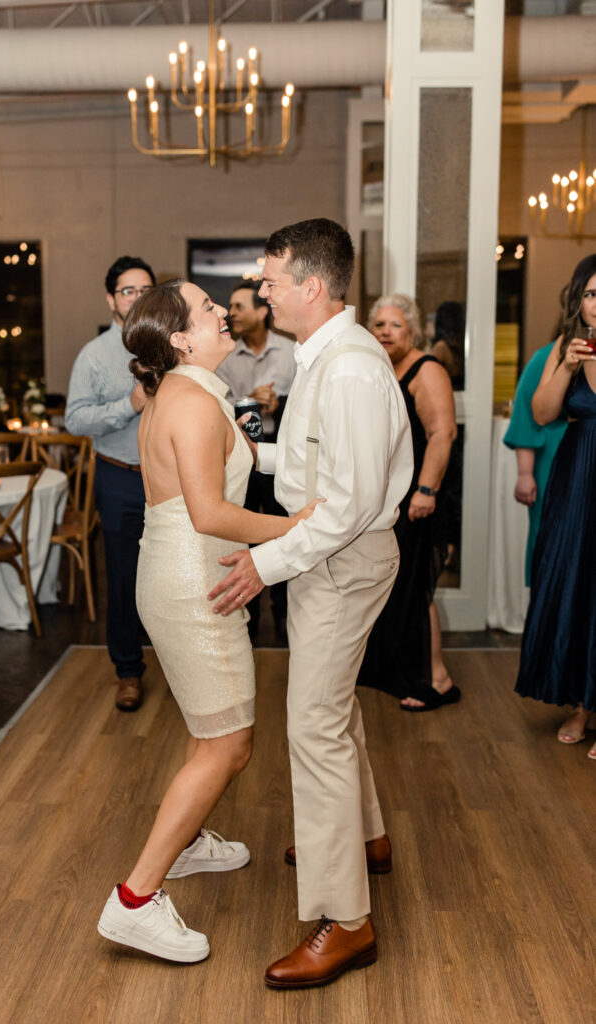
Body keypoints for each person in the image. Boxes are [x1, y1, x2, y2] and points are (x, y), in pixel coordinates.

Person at [208, 219, 413, 988]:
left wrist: (264, 565)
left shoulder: (352, 368)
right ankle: (365, 838)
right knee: (331, 712)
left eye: (269, 281)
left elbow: (348, 504)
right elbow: (309, 462)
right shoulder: (321, 356)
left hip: (339, 558)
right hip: (326, 554)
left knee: (313, 728)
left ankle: (346, 921)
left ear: (311, 287)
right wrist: (238, 446)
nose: (261, 293)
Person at [96, 279, 319, 963]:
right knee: (228, 745)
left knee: (208, 731)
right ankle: (134, 901)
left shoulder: (184, 394)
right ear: (180, 339)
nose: (224, 311)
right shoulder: (190, 403)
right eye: (207, 310)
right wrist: (296, 528)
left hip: (186, 577)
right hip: (197, 585)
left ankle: (188, 842)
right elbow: (209, 514)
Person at [356, 294, 459, 710]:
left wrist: (426, 490)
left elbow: (442, 433)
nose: (384, 331)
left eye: (394, 325)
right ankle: (395, 668)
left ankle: (438, 679)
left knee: (418, 589)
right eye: (378, 324)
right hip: (387, 500)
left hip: (419, 498)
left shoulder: (426, 369)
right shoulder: (380, 368)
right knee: (391, 584)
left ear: (413, 330)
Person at [515, 253, 596, 758]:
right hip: (576, 474)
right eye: (589, 293)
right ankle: (581, 704)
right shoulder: (565, 347)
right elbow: (541, 413)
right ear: (578, 300)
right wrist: (567, 366)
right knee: (571, 578)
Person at [65, 256, 154, 712]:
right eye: (127, 291)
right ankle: (128, 671)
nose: (136, 298)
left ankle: (183, 664)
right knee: (121, 577)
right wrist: (129, 403)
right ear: (111, 299)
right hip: (119, 476)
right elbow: (75, 419)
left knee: (173, 573)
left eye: (144, 290)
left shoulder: (173, 345)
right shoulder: (94, 355)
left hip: (171, 478)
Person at [217, 279, 296, 641]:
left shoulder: (292, 350)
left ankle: (284, 613)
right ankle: (245, 616)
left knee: (282, 529)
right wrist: (248, 399)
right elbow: (216, 407)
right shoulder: (225, 354)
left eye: (238, 307)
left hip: (282, 452)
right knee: (243, 533)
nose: (230, 314)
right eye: (229, 308)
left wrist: (283, 403)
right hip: (239, 457)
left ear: (262, 311)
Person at [503, 341, 567, 586]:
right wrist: (525, 473)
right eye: (590, 298)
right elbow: (526, 415)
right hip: (556, 458)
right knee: (552, 537)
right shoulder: (548, 357)